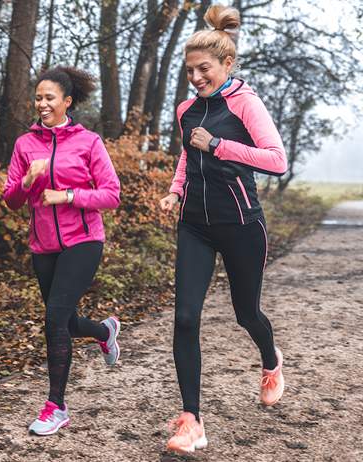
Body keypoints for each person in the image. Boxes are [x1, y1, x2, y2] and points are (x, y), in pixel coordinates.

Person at [159, 4, 288, 455]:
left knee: (245, 314)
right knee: (185, 318)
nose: (195, 77)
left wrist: (219, 145)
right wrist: (175, 192)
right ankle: (191, 420)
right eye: (190, 70)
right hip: (194, 224)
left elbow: (277, 159)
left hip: (241, 224)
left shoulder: (245, 103)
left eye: (204, 68)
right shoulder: (186, 110)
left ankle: (271, 362)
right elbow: (184, 157)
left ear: (227, 64)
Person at [3, 66, 121, 436]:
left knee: (54, 320)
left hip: (83, 241)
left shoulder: (88, 142)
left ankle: (56, 406)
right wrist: (27, 181)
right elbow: (11, 201)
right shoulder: (25, 145)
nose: (41, 104)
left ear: (66, 102)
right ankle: (104, 331)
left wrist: (68, 195)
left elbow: (111, 194)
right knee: (65, 322)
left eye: (49, 97)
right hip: (43, 246)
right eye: (38, 97)